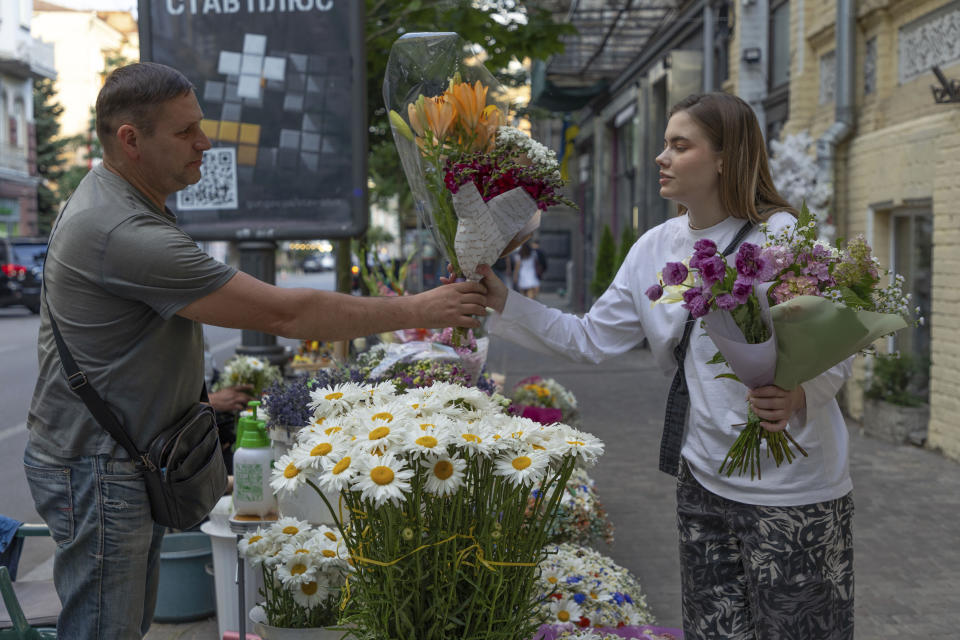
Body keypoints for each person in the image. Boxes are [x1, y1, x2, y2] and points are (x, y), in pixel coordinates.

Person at [22, 62, 487, 639]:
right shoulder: (120, 229)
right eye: (185, 131)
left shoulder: (118, 198)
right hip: (96, 466)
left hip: (109, 455)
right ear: (130, 140)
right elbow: (283, 313)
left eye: (202, 125)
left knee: (122, 627)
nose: (204, 141)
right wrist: (419, 310)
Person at [478, 93, 854, 639]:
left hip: (792, 489)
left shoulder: (783, 238)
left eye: (680, 146)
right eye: (664, 144)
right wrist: (503, 302)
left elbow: (836, 344)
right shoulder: (656, 247)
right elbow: (591, 338)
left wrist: (800, 396)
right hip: (702, 479)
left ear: (725, 159)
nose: (661, 157)